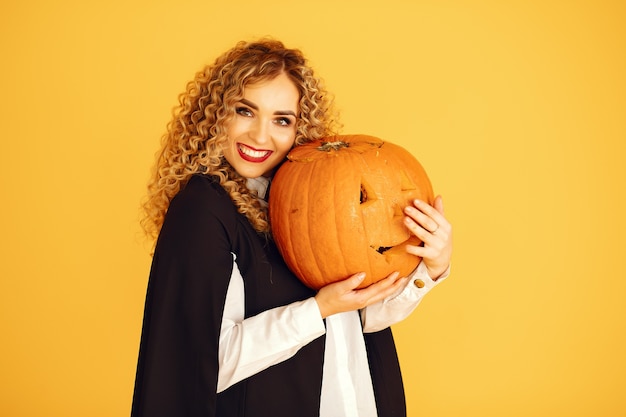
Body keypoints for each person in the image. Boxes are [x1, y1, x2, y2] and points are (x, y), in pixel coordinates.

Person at [131, 39, 452, 417]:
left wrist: (430, 269)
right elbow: (200, 366)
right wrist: (316, 311)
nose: (261, 136)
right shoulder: (202, 210)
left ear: (300, 128)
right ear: (216, 114)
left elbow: (360, 318)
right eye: (245, 111)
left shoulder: (303, 200)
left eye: (282, 119)